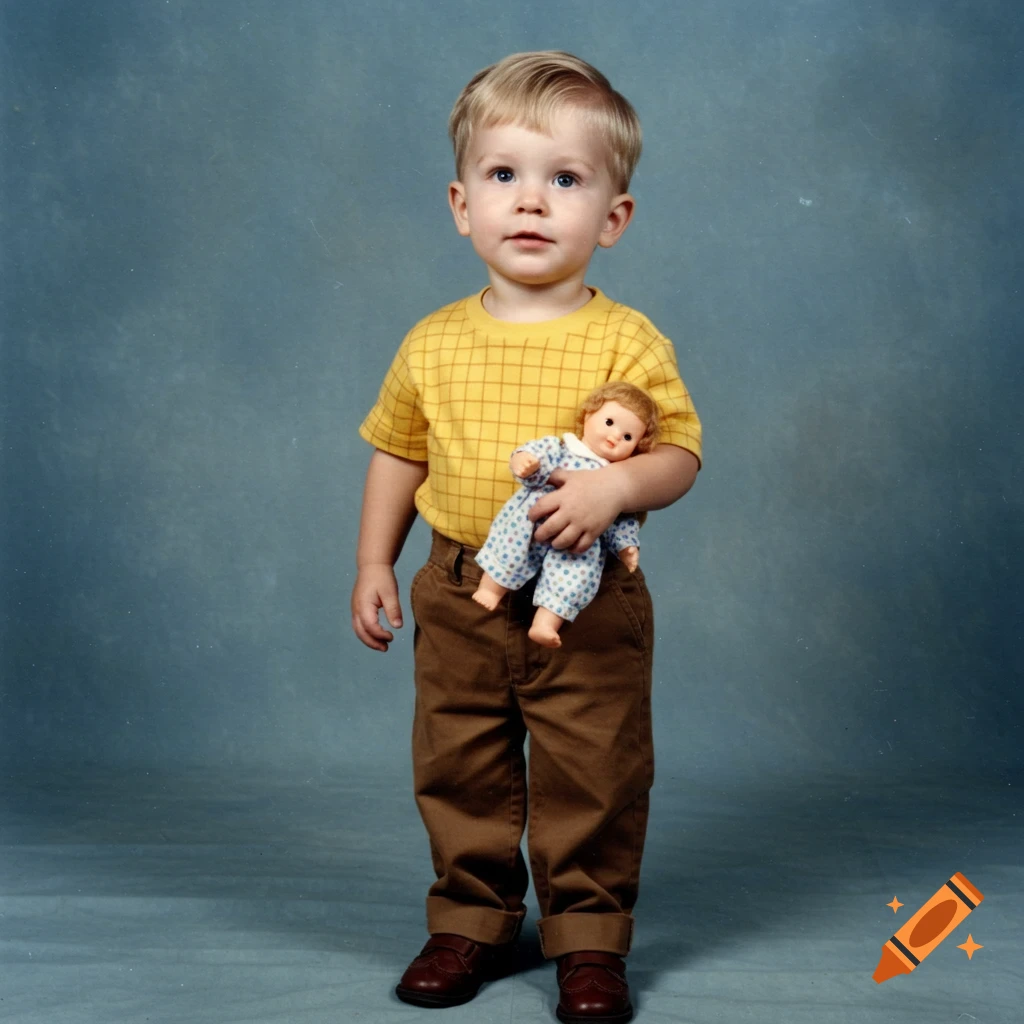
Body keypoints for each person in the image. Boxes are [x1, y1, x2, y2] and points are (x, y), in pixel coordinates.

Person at [351, 50, 702, 1024]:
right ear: (463, 204)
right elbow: (397, 455)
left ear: (612, 217)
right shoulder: (432, 340)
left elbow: (680, 456)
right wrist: (374, 559)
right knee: (458, 755)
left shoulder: (626, 339)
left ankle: (587, 934)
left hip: (585, 596)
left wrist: (620, 484)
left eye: (565, 179)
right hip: (460, 586)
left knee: (594, 762)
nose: (532, 202)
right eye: (505, 176)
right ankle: (472, 915)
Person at [473, 382, 660, 648]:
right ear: (588, 415)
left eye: (628, 437)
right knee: (510, 546)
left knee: (574, 575)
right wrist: (524, 462)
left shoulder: (615, 477)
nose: (615, 436)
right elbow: (534, 461)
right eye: (609, 422)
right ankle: (490, 589)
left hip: (577, 542)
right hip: (531, 521)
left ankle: (546, 623)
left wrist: (627, 546)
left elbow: (622, 519)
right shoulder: (560, 448)